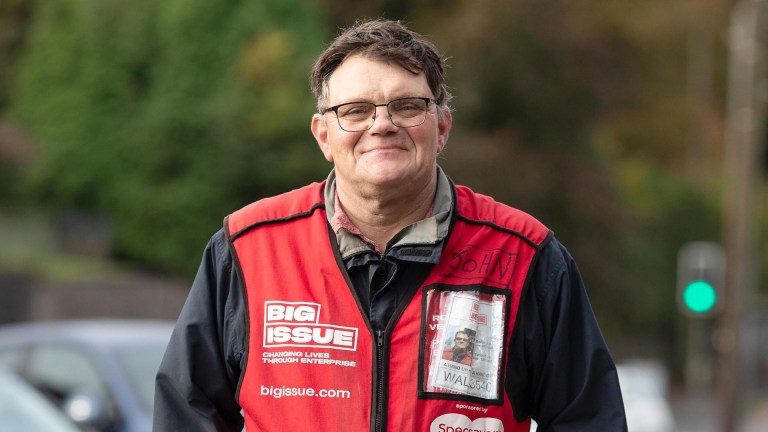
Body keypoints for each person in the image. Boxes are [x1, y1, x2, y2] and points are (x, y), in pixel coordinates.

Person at [154, 18, 627, 432]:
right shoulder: (247, 249)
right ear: (324, 135)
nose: (381, 125)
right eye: (355, 110)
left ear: (442, 127)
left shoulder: (526, 257)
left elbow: (587, 418)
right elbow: (187, 411)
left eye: (407, 106)